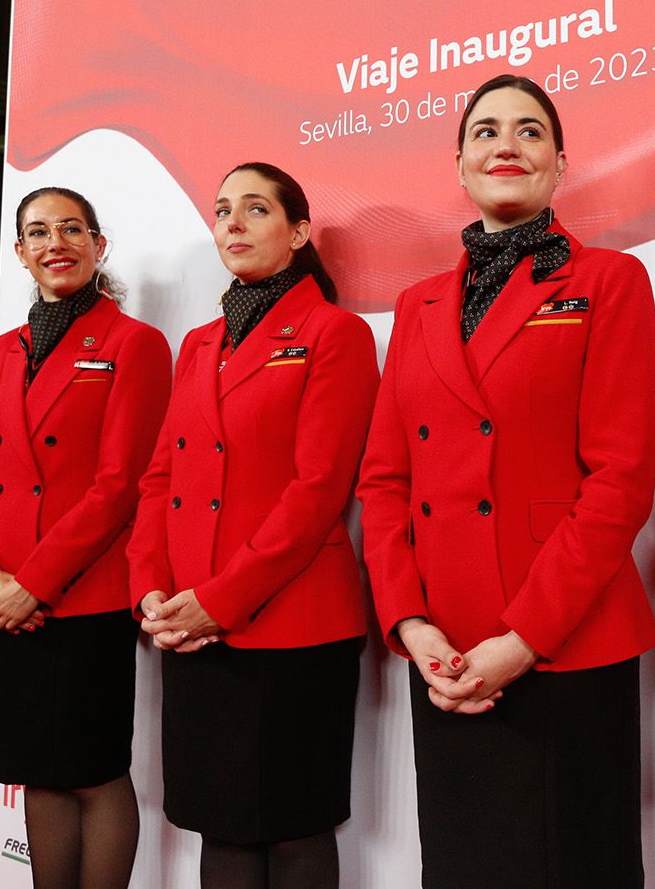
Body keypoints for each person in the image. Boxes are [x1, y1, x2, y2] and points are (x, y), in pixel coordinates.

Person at [358, 74, 655, 887]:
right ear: (459, 164)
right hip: (449, 655)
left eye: (529, 131)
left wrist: (522, 639)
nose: (507, 144)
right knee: (466, 867)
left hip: (563, 641)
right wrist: (411, 623)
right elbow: (384, 481)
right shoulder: (416, 303)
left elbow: (620, 480)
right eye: (486, 131)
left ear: (559, 163)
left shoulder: (609, 282)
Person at [128, 162, 378, 889]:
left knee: (294, 826)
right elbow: (160, 478)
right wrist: (150, 589)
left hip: (291, 626)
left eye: (255, 209)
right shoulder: (199, 343)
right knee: (220, 822)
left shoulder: (336, 333)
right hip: (189, 623)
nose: (232, 222)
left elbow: (318, 491)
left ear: (298, 232)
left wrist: (218, 601)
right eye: (222, 210)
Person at [0, 187, 171, 889]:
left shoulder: (134, 343)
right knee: (36, 774)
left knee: (93, 771)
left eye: (72, 229)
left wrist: (32, 584)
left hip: (86, 598)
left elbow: (119, 485)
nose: (57, 242)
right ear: (20, 252)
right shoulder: (4, 350)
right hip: (4, 601)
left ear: (98, 245)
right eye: (39, 231)